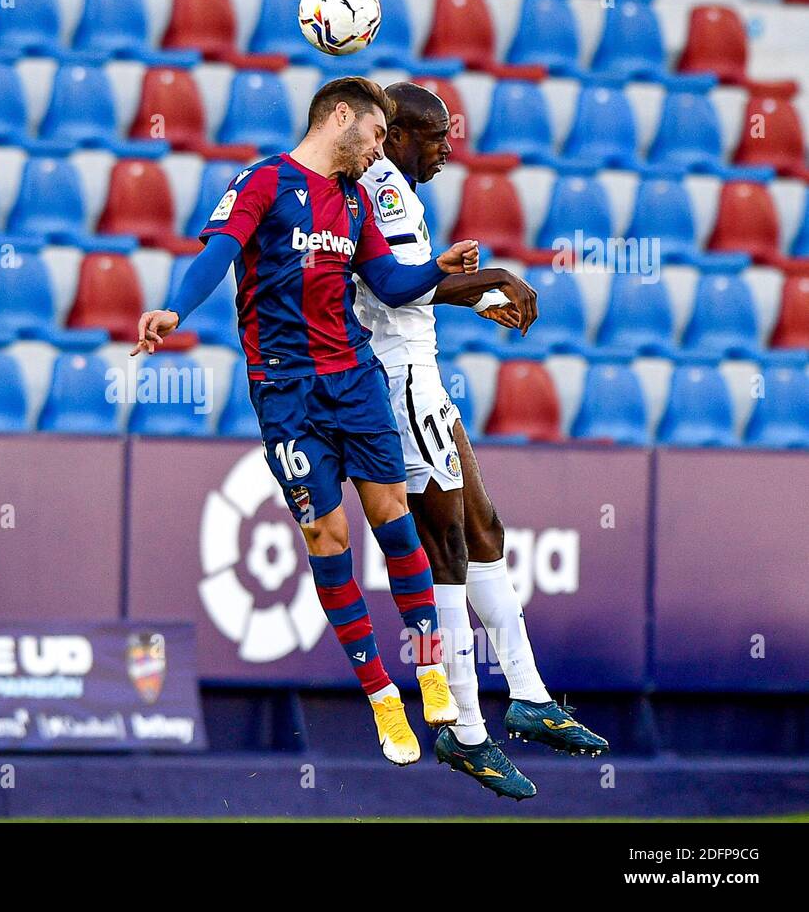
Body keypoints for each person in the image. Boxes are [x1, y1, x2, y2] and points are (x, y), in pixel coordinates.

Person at [132, 77, 528, 765]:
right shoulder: (264, 181)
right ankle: (381, 699)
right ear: (340, 118)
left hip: (354, 377)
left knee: (393, 517)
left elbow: (392, 285)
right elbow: (218, 255)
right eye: (375, 136)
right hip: (285, 390)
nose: (380, 151)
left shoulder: (353, 201)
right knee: (326, 533)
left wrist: (439, 268)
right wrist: (175, 310)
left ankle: (430, 671)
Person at [352, 81, 610, 798]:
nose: (445, 147)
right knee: (446, 553)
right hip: (399, 380)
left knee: (484, 528)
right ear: (396, 135)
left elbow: (406, 283)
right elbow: (398, 289)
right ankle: (465, 730)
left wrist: (482, 294)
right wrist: (493, 277)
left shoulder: (395, 189)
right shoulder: (385, 190)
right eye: (433, 136)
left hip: (420, 375)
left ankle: (527, 696)